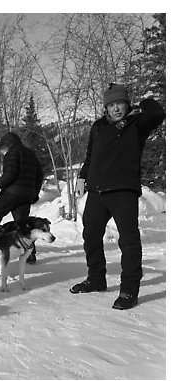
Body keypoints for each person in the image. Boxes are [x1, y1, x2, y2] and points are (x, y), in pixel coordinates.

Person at [70, 83, 165, 310]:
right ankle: (96, 279)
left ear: (127, 104)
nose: (115, 109)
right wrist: (82, 177)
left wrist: (142, 102)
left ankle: (129, 290)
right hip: (97, 191)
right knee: (91, 235)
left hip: (123, 190)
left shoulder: (137, 125)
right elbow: (91, 155)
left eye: (119, 103)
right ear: (106, 107)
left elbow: (157, 113)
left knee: (129, 240)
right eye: (111, 105)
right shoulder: (98, 127)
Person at [0, 132, 44, 263]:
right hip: (27, 194)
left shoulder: (12, 153)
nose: (2, 153)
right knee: (23, 223)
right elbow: (40, 175)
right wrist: (35, 192)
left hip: (12, 192)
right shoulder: (30, 154)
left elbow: (10, 174)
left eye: (2, 150)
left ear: (6, 145)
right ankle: (30, 254)